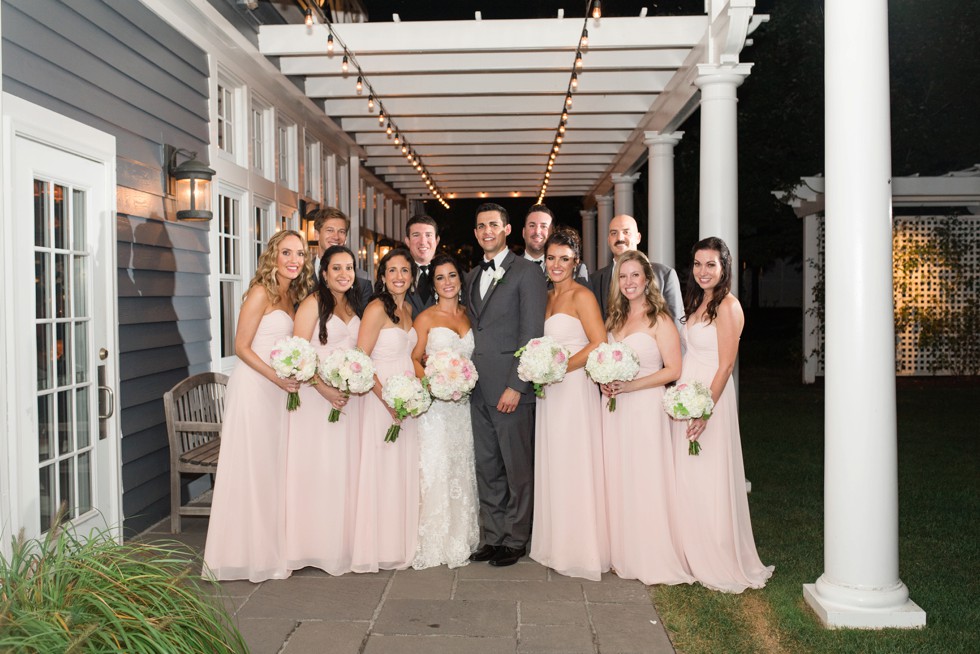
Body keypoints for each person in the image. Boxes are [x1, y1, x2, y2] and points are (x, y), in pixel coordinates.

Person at [203, 230, 313, 582]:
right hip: (254, 387)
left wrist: (290, 375)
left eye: (300, 254)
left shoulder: (292, 294)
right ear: (272, 256)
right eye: (287, 252)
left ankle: (270, 549)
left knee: (271, 468)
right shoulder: (260, 292)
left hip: (277, 390)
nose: (294, 260)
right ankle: (240, 554)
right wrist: (277, 377)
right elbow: (241, 346)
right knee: (250, 468)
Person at [672, 236, 773, 592]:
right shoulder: (699, 300)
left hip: (710, 395)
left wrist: (704, 410)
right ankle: (690, 550)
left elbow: (727, 364)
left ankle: (715, 555)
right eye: (698, 264)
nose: (702, 271)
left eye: (710, 264)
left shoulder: (728, 306)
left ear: (724, 268)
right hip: (689, 390)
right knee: (687, 475)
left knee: (709, 476)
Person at [600, 250, 693, 586]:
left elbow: (674, 369)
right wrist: (607, 383)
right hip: (615, 410)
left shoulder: (660, 319)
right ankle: (622, 551)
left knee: (645, 479)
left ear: (647, 279)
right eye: (623, 277)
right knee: (618, 476)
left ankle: (649, 553)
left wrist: (630, 386)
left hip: (645, 409)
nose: (628, 282)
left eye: (635, 275)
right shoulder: (614, 319)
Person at [466, 203, 547, 568]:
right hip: (477, 389)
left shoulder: (526, 273)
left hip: (511, 389)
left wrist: (518, 384)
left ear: (507, 230)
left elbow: (532, 334)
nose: (487, 231)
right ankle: (493, 536)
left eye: (493, 225)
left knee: (517, 467)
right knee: (487, 465)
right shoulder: (470, 276)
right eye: (481, 226)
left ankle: (516, 538)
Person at [529, 228, 610, 580]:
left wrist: (558, 367)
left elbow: (598, 342)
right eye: (551, 258)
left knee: (575, 462)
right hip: (550, 392)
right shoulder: (545, 297)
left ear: (576, 261)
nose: (557, 264)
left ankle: (580, 548)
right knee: (554, 462)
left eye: (564, 258)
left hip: (574, 388)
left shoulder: (582, 295)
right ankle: (555, 543)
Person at [284, 245, 362, 576]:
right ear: (324, 272)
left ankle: (341, 543)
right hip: (317, 400)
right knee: (318, 468)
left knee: (343, 470)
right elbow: (296, 355)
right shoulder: (312, 303)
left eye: (349, 268)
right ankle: (311, 546)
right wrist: (324, 388)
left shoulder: (353, 304)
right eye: (337, 268)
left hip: (346, 399)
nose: (344, 274)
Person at [350, 247, 420, 572]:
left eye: (404, 270)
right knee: (382, 469)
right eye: (392, 270)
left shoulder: (407, 309)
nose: (398, 277)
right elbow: (361, 359)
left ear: (412, 275)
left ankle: (399, 540)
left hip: (406, 400)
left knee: (401, 469)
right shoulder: (377, 307)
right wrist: (386, 399)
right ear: (382, 276)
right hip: (382, 400)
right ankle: (377, 545)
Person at [410, 253, 480, 569]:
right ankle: (434, 538)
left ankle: (461, 535)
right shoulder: (425, 318)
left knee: (461, 466)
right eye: (440, 277)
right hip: (436, 407)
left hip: (463, 408)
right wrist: (434, 383)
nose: (447, 282)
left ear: (460, 280)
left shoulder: (470, 315)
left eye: (452, 275)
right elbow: (413, 358)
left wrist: (458, 383)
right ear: (433, 283)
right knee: (436, 467)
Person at [589, 214, 682, 326]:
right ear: (608, 240)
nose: (620, 238)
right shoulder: (595, 280)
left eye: (626, 232)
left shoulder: (665, 275)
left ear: (638, 238)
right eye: (614, 233)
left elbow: (676, 323)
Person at [311, 206, 373, 310]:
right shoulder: (300, 275)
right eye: (330, 230)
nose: (336, 237)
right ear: (316, 234)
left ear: (345, 238)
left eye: (341, 231)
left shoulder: (363, 280)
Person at [522, 204, 588, 281]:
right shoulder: (507, 268)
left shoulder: (576, 268)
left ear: (552, 233)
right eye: (532, 225)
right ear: (523, 232)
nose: (537, 231)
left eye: (544, 226)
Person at [404, 214, 440, 317]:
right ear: (407, 241)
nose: (423, 242)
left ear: (437, 241)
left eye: (428, 235)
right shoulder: (396, 276)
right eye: (416, 235)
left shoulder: (454, 277)